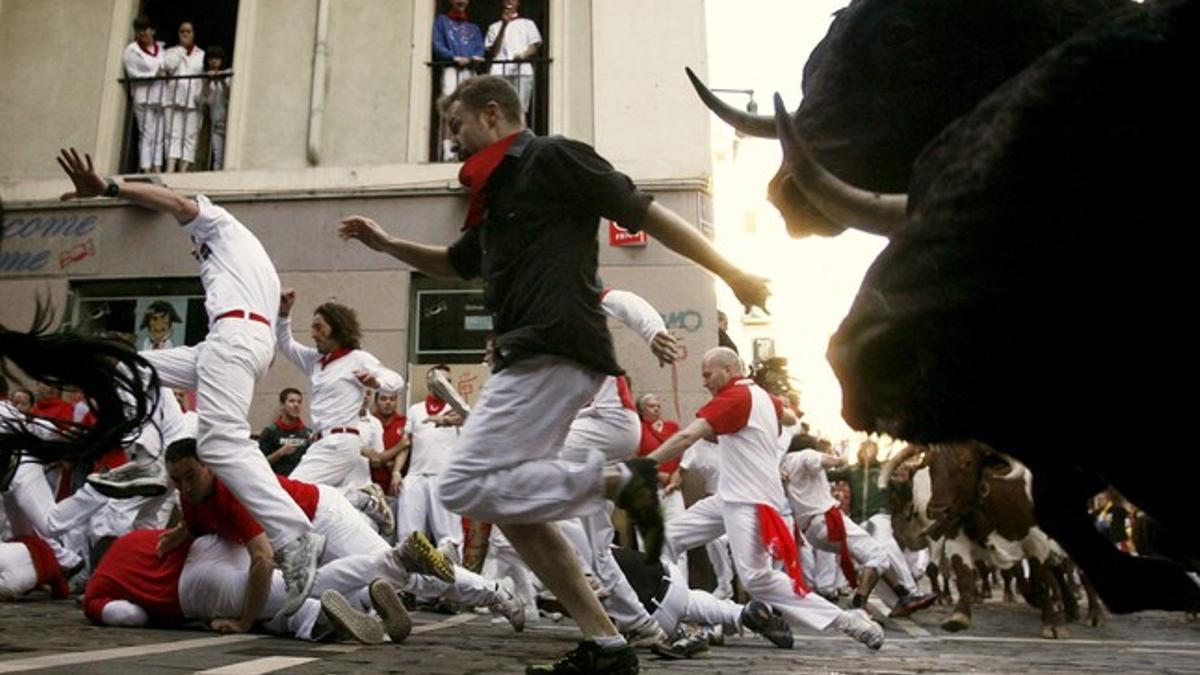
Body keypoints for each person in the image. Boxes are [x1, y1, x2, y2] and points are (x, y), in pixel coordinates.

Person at [338, 75, 769, 674]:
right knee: (516, 507)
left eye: (456, 127)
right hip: (532, 353)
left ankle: (622, 484)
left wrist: (734, 274)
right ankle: (606, 642)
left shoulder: (554, 156)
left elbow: (646, 212)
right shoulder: (492, 193)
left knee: (462, 485)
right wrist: (388, 246)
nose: (453, 141)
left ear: (492, 115)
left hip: (554, 346)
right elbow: (456, 265)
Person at [56, 147, 323, 615]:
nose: (193, 248)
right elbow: (270, 300)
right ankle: (149, 453)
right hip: (237, 340)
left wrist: (110, 188)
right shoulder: (245, 258)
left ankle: (295, 536)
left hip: (233, 337)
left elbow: (175, 203)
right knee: (133, 366)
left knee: (220, 445)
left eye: (196, 244)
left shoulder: (217, 223)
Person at [648, 347, 886, 651]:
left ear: (729, 370)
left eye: (708, 375)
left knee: (758, 579)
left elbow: (686, 437)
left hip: (749, 500)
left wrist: (645, 462)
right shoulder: (762, 396)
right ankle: (679, 614)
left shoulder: (735, 397)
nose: (705, 382)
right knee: (667, 538)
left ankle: (848, 620)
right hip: (732, 496)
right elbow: (788, 416)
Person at [782, 436, 936, 617]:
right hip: (829, 520)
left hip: (811, 530)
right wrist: (839, 459)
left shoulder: (783, 464)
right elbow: (821, 460)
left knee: (872, 557)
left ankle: (902, 597)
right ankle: (859, 605)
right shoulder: (808, 456)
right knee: (879, 554)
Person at [274, 290, 404, 492]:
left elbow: (396, 380)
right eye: (312, 328)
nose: (313, 334)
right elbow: (286, 344)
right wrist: (284, 313)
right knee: (323, 500)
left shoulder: (357, 358)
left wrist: (376, 382)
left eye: (319, 328)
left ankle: (363, 500)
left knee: (293, 492)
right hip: (320, 443)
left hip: (339, 442)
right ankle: (364, 502)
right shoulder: (314, 361)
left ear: (337, 328)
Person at [393, 365, 465, 561]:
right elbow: (406, 444)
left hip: (444, 479)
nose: (442, 385)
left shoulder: (458, 410)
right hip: (415, 477)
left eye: (447, 382)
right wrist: (397, 472)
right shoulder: (415, 410)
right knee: (408, 537)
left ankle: (454, 583)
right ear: (429, 383)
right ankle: (410, 586)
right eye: (438, 381)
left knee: (449, 538)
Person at [433, 0, 485, 160]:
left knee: (470, 108)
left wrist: (477, 56)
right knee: (450, 107)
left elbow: (480, 48)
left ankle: (466, 147)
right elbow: (437, 44)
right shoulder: (442, 21)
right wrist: (452, 57)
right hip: (451, 68)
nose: (461, 1)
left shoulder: (473, 28)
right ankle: (447, 148)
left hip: (469, 70)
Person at [122, 15, 166, 173]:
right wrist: (154, 74)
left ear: (152, 31)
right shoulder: (131, 50)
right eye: (139, 30)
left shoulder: (161, 49)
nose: (142, 33)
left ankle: (157, 167)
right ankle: (146, 168)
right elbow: (132, 74)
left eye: (145, 29)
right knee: (147, 133)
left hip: (159, 97)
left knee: (159, 134)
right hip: (142, 97)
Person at [484, 0, 542, 113]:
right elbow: (493, 52)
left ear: (518, 2)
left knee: (520, 110)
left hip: (522, 72)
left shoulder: (528, 23)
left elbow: (534, 47)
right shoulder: (494, 27)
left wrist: (522, 55)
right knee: (498, 110)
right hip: (499, 73)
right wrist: (504, 25)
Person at [162, 21, 205, 173]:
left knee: (190, 135)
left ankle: (184, 168)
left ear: (193, 34)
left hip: (193, 100)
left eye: (188, 31)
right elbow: (170, 66)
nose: (185, 34)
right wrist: (181, 50)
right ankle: (171, 167)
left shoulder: (201, 55)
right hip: (173, 99)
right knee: (172, 134)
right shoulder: (170, 52)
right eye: (182, 32)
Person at [258, 388, 312, 476]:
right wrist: (280, 453)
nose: (296, 405)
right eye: (291, 401)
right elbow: (259, 464)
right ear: (282, 405)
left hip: (300, 483)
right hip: (277, 483)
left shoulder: (308, 434)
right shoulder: (270, 432)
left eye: (299, 402)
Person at [202, 45, 231, 171]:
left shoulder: (229, 73)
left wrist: (222, 81)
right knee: (217, 156)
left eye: (217, 59)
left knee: (229, 156)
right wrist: (208, 82)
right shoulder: (205, 77)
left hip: (229, 123)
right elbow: (203, 99)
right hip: (215, 123)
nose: (214, 62)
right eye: (211, 59)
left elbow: (229, 97)